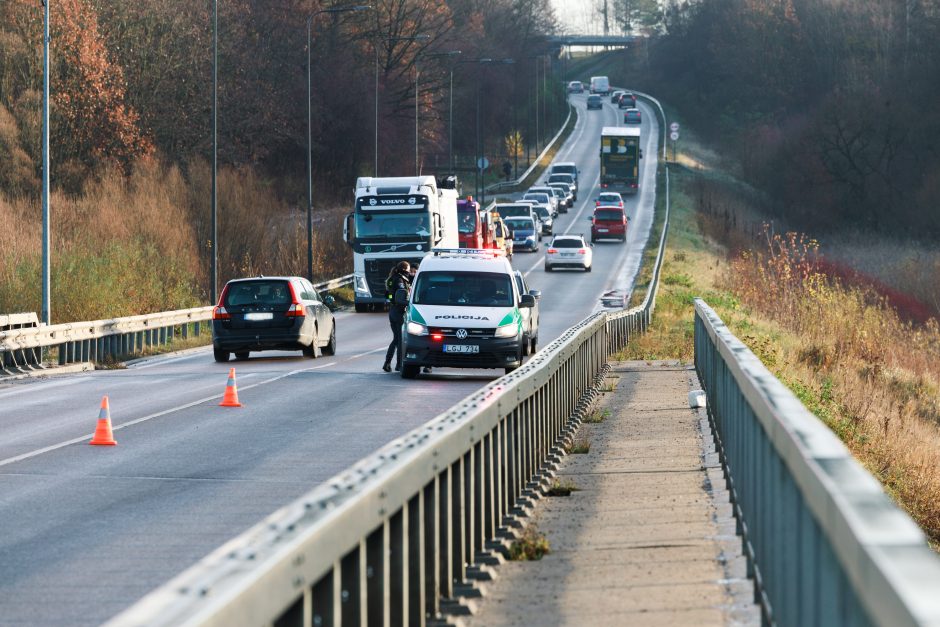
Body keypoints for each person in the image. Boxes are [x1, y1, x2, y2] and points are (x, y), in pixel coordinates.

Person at [383, 261, 412, 372]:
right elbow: (400, 297)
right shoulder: (400, 280)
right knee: (400, 340)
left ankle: (387, 363)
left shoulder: (392, 278)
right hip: (399, 312)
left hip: (393, 311)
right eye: (409, 270)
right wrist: (409, 303)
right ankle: (399, 365)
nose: (409, 273)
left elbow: (388, 294)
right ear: (404, 269)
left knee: (396, 339)